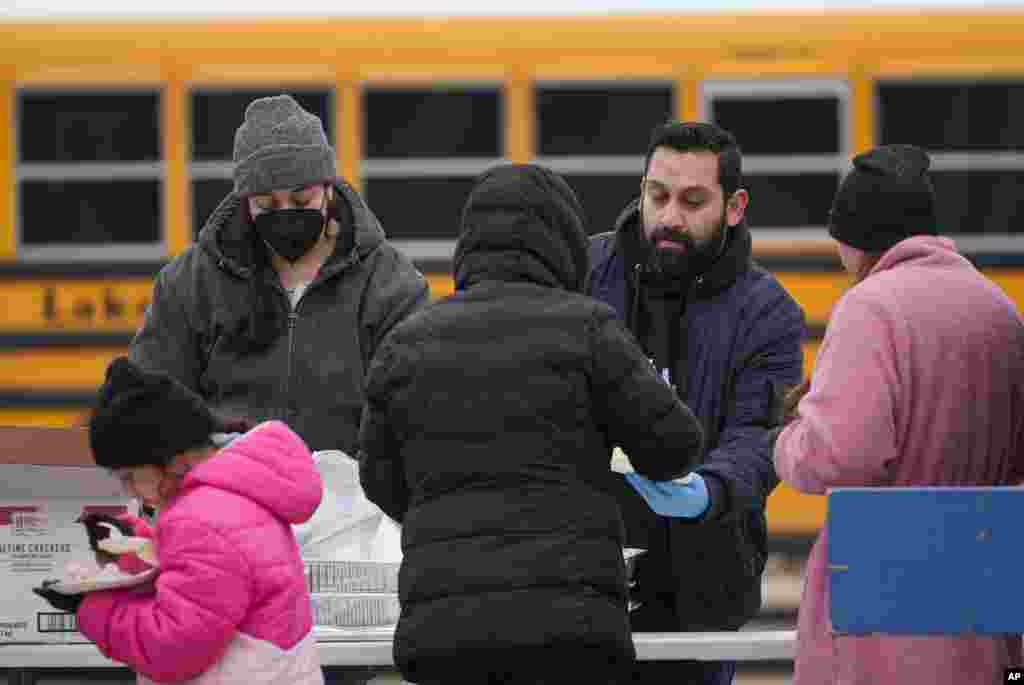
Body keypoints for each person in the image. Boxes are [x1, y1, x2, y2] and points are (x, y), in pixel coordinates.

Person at [358, 163, 706, 685]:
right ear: (565, 245)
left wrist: (443, 511)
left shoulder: (406, 343)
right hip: (572, 629)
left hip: (444, 630)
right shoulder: (589, 329)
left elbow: (379, 481)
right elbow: (674, 446)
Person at [772, 144, 1024, 684]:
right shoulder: (998, 308)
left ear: (854, 238)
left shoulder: (871, 307)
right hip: (983, 596)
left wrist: (788, 438)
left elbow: (841, 455)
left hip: (885, 599)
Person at [586, 121, 805, 684]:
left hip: (703, 584)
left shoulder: (768, 312)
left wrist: (711, 490)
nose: (670, 217)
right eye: (657, 195)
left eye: (692, 200)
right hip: (583, 579)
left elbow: (762, 434)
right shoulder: (584, 275)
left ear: (734, 207)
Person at [129, 94, 429, 455]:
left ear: (329, 190)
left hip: (352, 504)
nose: (285, 213)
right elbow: (150, 404)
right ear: (245, 205)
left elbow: (415, 414)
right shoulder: (191, 284)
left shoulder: (389, 284)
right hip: (227, 500)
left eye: (301, 201)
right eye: (267, 205)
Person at [34, 356, 324, 684]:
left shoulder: (200, 520)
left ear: (169, 459)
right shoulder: (242, 490)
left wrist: (90, 608)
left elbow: (172, 648)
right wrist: (142, 548)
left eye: (129, 475)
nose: (127, 489)